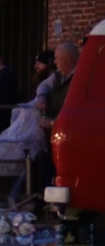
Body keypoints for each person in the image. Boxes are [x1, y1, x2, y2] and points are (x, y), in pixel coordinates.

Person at [33, 41, 79, 188]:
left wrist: (53, 122)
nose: (54, 62)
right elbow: (44, 85)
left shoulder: (79, 78)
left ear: (67, 60)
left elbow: (76, 111)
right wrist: (41, 96)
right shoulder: (59, 76)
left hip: (67, 134)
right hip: (54, 132)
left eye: (57, 58)